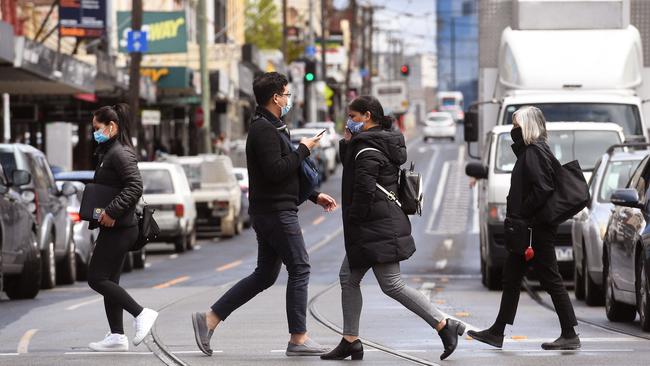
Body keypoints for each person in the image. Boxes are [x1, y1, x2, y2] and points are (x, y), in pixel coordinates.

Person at [191, 72, 338, 357]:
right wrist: (304, 150)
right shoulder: (263, 130)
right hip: (276, 212)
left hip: (273, 209)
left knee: (264, 276)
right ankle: (298, 338)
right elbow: (275, 171)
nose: (288, 99)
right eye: (286, 94)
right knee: (300, 267)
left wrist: (313, 195)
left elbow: (283, 172)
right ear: (275, 97)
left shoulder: (274, 126)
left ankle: (209, 319)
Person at [320, 96, 465, 362]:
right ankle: (350, 340)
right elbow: (352, 168)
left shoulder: (368, 150)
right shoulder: (376, 142)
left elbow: (363, 191)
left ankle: (445, 324)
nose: (349, 121)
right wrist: (347, 142)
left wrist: (353, 220)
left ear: (366, 116)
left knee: (392, 284)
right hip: (379, 224)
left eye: (352, 117)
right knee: (349, 278)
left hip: (375, 228)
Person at [468, 106, 580, 350]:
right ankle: (497, 332)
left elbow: (543, 189)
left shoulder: (534, 153)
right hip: (528, 227)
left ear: (528, 127)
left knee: (550, 278)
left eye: (517, 126)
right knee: (512, 278)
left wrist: (523, 213)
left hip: (534, 228)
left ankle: (570, 333)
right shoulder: (532, 152)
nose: (513, 130)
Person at [87, 103, 158, 351]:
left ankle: (141, 314)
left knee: (96, 278)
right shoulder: (109, 152)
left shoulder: (120, 153)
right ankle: (117, 335)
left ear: (112, 126)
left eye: (97, 127)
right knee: (111, 281)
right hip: (116, 227)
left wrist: (111, 211)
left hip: (122, 227)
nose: (93, 132)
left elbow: (134, 186)